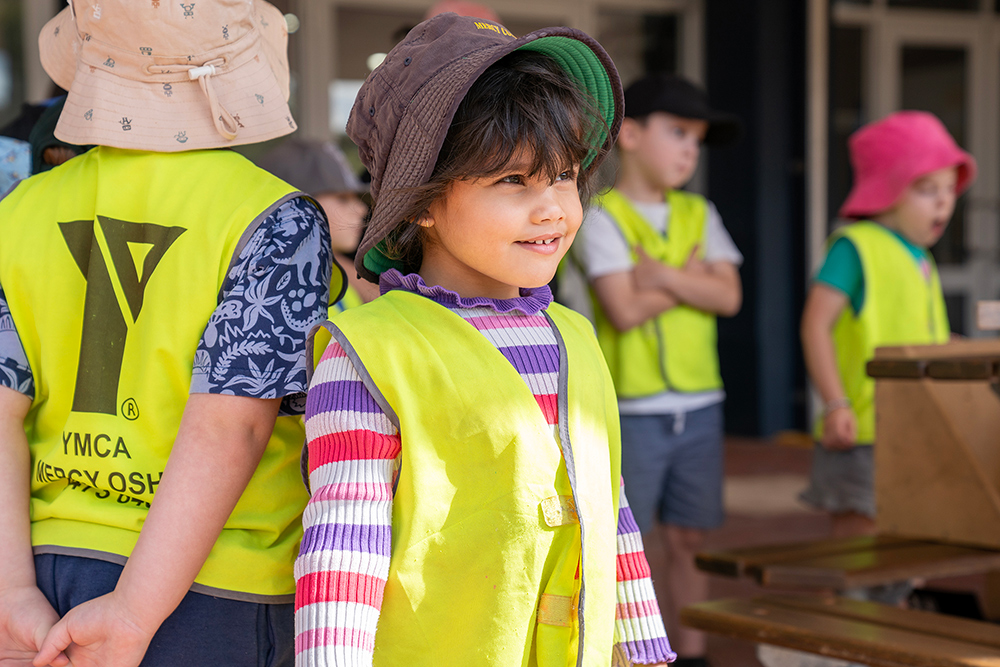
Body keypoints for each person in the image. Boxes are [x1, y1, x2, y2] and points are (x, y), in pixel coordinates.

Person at [295, 13, 674, 667]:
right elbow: (344, 543)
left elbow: (609, 510)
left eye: (563, 176)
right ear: (422, 201)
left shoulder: (574, 334)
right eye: (513, 181)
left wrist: (642, 650)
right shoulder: (369, 352)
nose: (554, 207)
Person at [0, 2, 337, 666]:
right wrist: (134, 609)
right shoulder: (273, 216)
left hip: (46, 568)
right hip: (214, 585)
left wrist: (10, 588)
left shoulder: (19, 210)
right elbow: (231, 425)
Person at [570, 73, 743, 667]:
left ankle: (691, 656)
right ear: (632, 135)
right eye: (677, 132)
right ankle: (632, 655)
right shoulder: (598, 218)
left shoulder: (701, 211)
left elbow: (731, 298)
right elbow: (624, 307)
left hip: (699, 404)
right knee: (628, 542)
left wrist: (663, 277)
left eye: (696, 138)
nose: (690, 149)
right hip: (630, 410)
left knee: (690, 537)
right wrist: (696, 280)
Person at [800, 110, 976, 539]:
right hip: (863, 430)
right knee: (860, 543)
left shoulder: (921, 257)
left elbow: (921, 337)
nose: (943, 202)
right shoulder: (855, 247)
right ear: (888, 191)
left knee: (909, 538)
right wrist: (835, 403)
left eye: (950, 190)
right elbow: (815, 325)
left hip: (916, 425)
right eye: (926, 189)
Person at [259, 138, 377, 313]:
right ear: (293, 205)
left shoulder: (340, 286)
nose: (361, 209)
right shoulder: (281, 291)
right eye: (342, 198)